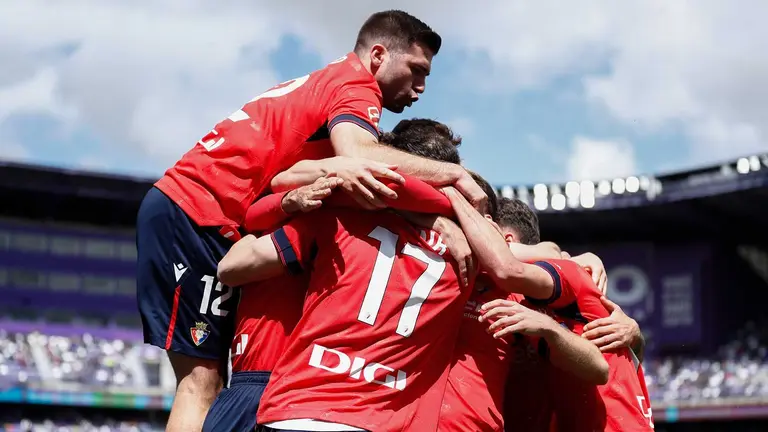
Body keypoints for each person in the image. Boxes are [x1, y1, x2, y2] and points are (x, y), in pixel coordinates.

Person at [135, 10, 487, 431]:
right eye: (416, 70)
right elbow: (359, 156)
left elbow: (310, 175)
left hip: (204, 211)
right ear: (377, 55)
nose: (420, 88)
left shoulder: (328, 82)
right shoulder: (355, 88)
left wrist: (429, 213)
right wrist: (453, 179)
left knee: (213, 382)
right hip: (199, 213)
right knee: (200, 383)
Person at [202, 119, 469, 432]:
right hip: (381, 416)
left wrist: (284, 205)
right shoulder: (469, 251)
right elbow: (514, 264)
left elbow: (231, 267)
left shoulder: (335, 217)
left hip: (293, 400)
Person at [428, 188, 609, 432]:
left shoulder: (525, 298)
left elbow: (601, 367)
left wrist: (550, 329)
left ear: (506, 240)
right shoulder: (445, 261)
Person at [479, 198, 653, 431]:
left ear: (507, 240)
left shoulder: (567, 277)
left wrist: (634, 335)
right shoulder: (505, 295)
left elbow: (615, 362)